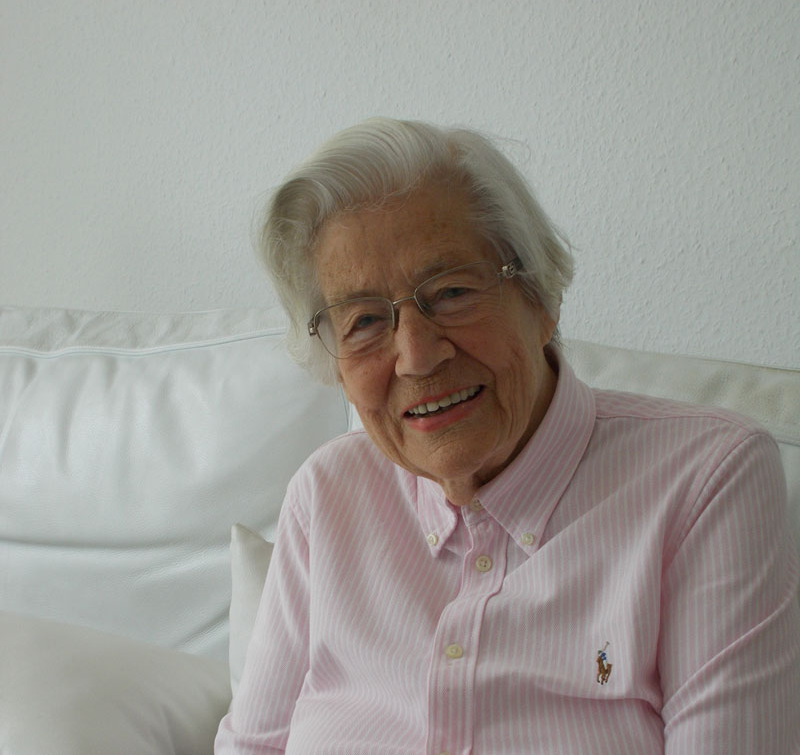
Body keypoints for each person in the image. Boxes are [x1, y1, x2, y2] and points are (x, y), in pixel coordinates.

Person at [215, 118, 800, 754]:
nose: (416, 355)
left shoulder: (708, 482)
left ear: (540, 297)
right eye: (364, 322)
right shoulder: (327, 495)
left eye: (451, 292)